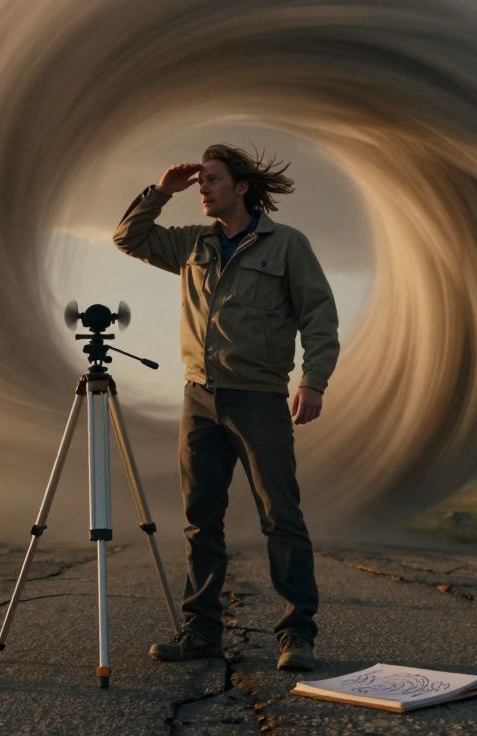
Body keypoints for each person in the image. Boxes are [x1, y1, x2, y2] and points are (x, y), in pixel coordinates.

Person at [112, 144, 340, 672]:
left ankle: (297, 635)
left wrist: (314, 381)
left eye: (212, 180)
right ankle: (202, 632)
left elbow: (319, 316)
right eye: (199, 183)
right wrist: (161, 192)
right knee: (201, 519)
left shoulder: (286, 246)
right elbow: (128, 238)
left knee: (281, 517)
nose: (202, 189)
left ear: (241, 187)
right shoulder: (193, 244)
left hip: (259, 398)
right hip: (199, 397)